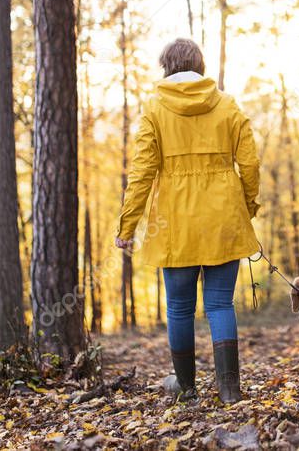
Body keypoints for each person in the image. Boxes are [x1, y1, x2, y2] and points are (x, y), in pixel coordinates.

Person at [115, 38, 260, 404]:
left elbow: (142, 172)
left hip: (174, 224)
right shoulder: (227, 106)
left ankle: (187, 387)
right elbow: (251, 164)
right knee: (220, 305)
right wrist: (247, 205)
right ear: (200, 64)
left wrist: (127, 227)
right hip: (223, 218)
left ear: (166, 66)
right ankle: (229, 390)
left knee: (180, 308)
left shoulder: (154, 108)